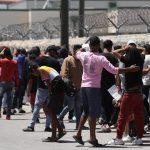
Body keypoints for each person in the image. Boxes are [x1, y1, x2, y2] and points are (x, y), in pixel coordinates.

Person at [72, 36, 140, 147]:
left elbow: (75, 53)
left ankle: (79, 134)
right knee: (93, 113)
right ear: (99, 46)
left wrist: (82, 49)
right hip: (93, 87)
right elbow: (114, 70)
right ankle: (92, 138)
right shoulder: (101, 58)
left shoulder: (83, 55)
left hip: (84, 86)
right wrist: (129, 69)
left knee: (85, 111)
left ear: (89, 45)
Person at [107, 45, 145, 146]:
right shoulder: (141, 59)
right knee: (139, 117)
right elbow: (143, 50)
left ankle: (119, 138)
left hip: (129, 93)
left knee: (122, 116)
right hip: (138, 93)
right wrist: (135, 48)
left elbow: (114, 52)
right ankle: (139, 138)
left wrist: (125, 48)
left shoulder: (127, 60)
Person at [29, 63, 66, 142]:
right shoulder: (44, 67)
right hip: (59, 86)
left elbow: (49, 84)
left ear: (34, 70)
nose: (35, 75)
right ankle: (60, 130)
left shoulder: (41, 70)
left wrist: (50, 96)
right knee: (50, 111)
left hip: (57, 87)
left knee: (51, 111)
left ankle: (54, 136)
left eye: (33, 73)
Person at [57, 44, 83, 129]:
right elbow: (63, 74)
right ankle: (60, 118)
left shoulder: (81, 60)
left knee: (78, 107)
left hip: (79, 87)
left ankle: (78, 125)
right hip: (70, 88)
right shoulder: (68, 60)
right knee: (70, 106)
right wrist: (68, 85)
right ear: (74, 51)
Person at [0, 47, 19, 120]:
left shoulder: (2, 61)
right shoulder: (14, 62)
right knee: (9, 99)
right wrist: (17, 84)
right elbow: (17, 74)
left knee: (0, 98)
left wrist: (0, 54)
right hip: (11, 83)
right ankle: (8, 115)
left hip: (2, 83)